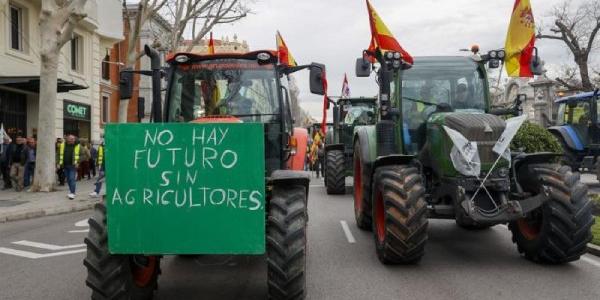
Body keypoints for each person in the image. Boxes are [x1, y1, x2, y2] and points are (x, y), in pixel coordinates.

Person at [58, 135, 81, 199]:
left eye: (73, 139)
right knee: (68, 180)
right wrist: (58, 163)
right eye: (71, 139)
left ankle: (73, 193)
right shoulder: (62, 145)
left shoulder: (78, 145)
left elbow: (84, 155)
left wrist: (78, 162)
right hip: (65, 166)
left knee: (71, 179)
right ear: (67, 139)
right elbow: (58, 154)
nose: (73, 140)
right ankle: (71, 192)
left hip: (73, 166)